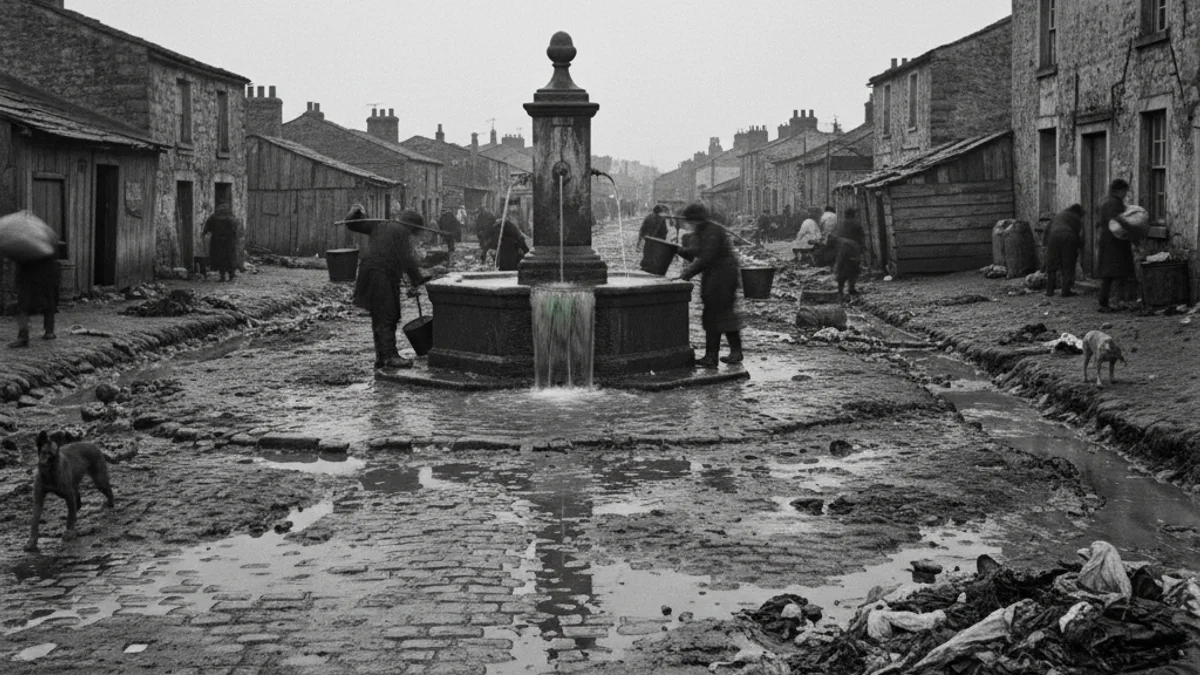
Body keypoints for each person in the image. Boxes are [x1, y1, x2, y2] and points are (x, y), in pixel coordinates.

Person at [344, 204, 429, 370]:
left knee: (378, 315)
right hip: (381, 275)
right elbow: (406, 259)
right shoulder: (402, 232)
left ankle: (381, 357)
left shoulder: (380, 224)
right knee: (389, 314)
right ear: (412, 226)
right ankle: (390, 357)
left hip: (368, 274)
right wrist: (417, 279)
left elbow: (352, 224)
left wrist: (354, 212)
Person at [674, 202, 743, 368]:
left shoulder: (712, 231)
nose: (690, 225)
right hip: (717, 276)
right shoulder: (704, 230)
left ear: (696, 219)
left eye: (691, 221)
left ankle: (716, 356)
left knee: (717, 315)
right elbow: (696, 253)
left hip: (723, 277)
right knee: (720, 314)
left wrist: (686, 273)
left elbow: (706, 257)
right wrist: (677, 249)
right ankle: (726, 353)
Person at [1095, 179, 1133, 312]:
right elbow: (1118, 222)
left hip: (1107, 241)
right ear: (1120, 191)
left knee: (1110, 273)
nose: (1125, 195)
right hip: (1115, 242)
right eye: (1125, 192)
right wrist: (1131, 230)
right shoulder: (1115, 203)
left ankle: (1110, 301)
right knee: (1114, 273)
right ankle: (1108, 302)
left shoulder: (1105, 201)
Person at [6, 252, 59, 348]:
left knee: (23, 307)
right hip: (44, 276)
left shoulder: (25, 248)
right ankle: (49, 331)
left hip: (29, 276)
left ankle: (23, 336)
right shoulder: (45, 247)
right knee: (48, 304)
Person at [1044, 204, 1085, 298]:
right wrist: (1080, 247)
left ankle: (1049, 291)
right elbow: (1079, 234)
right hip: (1068, 237)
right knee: (1067, 265)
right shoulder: (1077, 219)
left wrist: (1045, 245)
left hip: (1053, 237)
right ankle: (1066, 291)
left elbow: (1047, 230)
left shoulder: (1059, 215)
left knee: (1052, 265)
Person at [202, 204, 240, 282]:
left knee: (219, 258)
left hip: (217, 241)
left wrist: (205, 233)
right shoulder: (230, 217)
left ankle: (222, 276)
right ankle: (231, 274)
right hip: (229, 241)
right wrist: (235, 237)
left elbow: (207, 228)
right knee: (230, 257)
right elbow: (235, 229)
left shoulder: (213, 217)